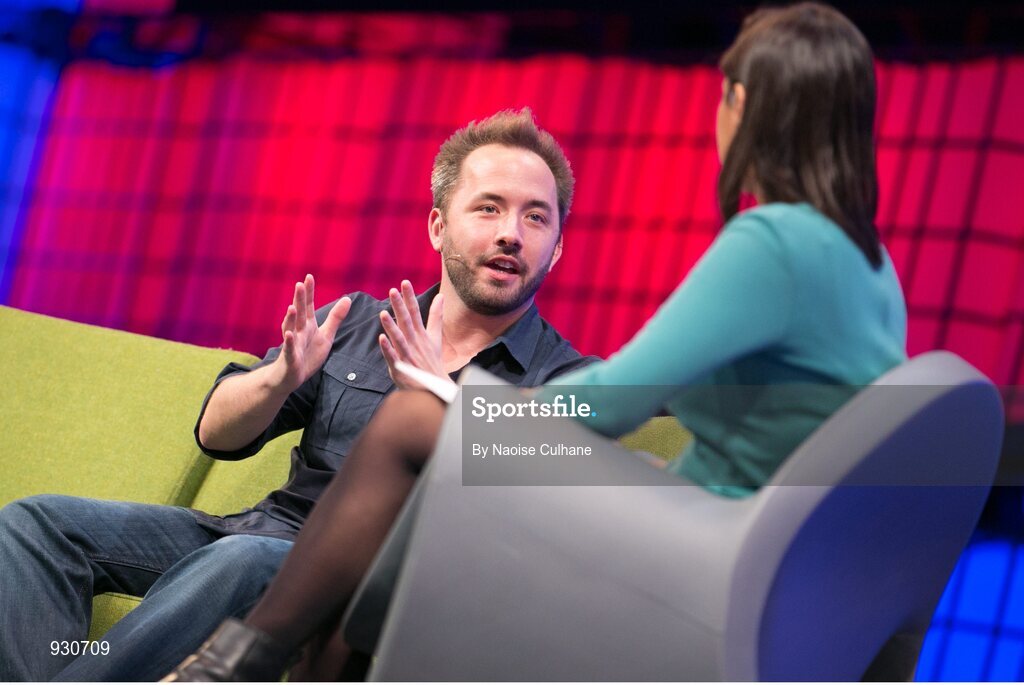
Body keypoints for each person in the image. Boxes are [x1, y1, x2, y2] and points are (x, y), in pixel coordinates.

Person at [165, 2, 909, 680]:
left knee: (414, 419)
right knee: (399, 536)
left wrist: (460, 402)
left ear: (745, 105)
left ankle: (233, 663)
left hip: (710, 547)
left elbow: (613, 402)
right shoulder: (871, 267)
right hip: (774, 562)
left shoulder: (772, 243)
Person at [0, 108, 598, 681]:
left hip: (369, 580)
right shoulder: (357, 322)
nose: (510, 234)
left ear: (557, 248)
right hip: (258, 533)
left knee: (242, 562)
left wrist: (443, 399)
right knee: (38, 524)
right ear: (438, 227)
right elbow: (215, 433)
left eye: (536, 218)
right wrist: (279, 377)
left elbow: (537, 521)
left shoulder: (571, 380)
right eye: (489, 208)